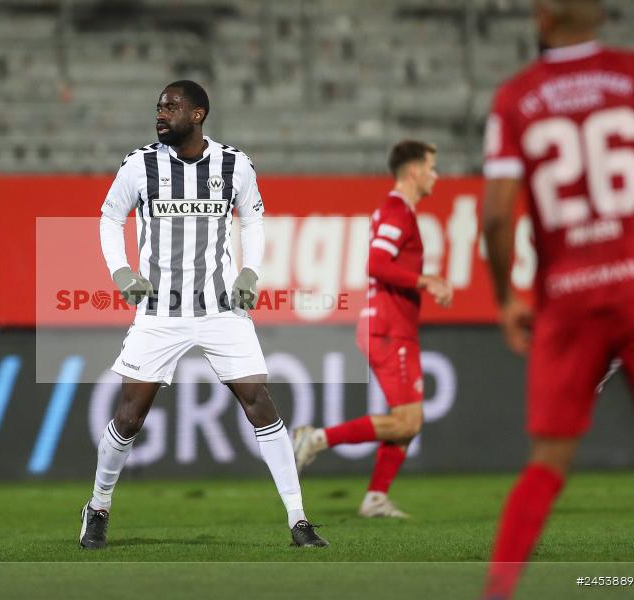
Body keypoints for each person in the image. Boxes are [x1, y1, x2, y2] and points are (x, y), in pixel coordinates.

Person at [80, 80, 327, 549]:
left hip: (220, 307)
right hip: (160, 310)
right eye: (158, 106)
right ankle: (98, 507)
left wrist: (250, 272)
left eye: (171, 106)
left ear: (198, 114)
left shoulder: (234, 164)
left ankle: (298, 519)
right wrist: (120, 272)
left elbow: (252, 218)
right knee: (130, 417)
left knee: (259, 400)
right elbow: (110, 217)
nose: (161, 113)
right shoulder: (140, 164)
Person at [481, 1, 634, 597]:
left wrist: (507, 297)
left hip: (567, 296)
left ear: (544, 17)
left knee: (548, 460)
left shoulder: (517, 97)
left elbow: (497, 216)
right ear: (601, 15)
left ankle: (497, 591)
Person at [292, 140, 453, 518]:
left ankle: (376, 497)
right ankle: (314, 440)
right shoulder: (398, 210)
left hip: (392, 326)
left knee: (408, 421)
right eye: (431, 167)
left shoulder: (397, 211)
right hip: (388, 326)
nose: (436, 175)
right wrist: (426, 280)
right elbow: (376, 263)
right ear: (413, 171)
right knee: (408, 420)